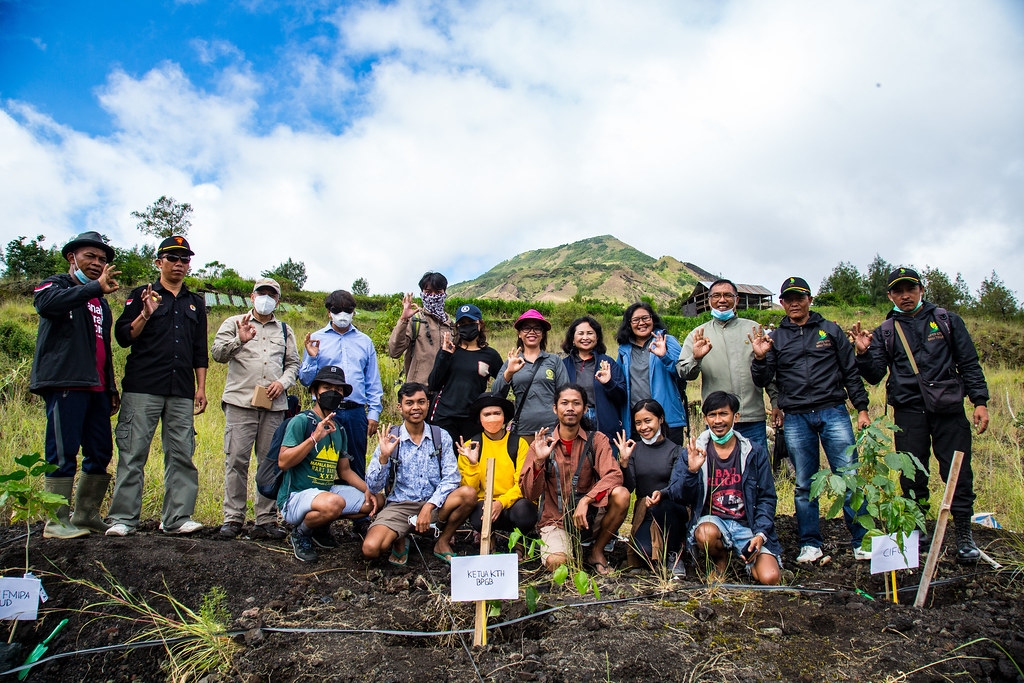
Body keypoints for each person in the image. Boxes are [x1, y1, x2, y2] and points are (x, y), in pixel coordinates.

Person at [851, 267, 990, 563]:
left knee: (957, 472)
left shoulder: (947, 320)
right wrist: (862, 354)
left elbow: (969, 362)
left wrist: (979, 401)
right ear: (890, 295)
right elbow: (875, 375)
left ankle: (964, 535)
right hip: (909, 411)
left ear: (920, 289)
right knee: (913, 474)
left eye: (910, 289)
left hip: (949, 409)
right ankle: (918, 532)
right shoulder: (886, 331)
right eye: (898, 291)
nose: (905, 296)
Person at [750, 276, 871, 563]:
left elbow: (850, 372)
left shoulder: (830, 331)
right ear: (781, 303)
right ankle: (810, 543)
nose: (794, 303)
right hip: (796, 416)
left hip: (833, 411)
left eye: (799, 297)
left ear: (809, 300)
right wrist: (759, 358)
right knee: (805, 481)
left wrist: (862, 408)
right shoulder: (775, 337)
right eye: (788, 298)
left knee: (849, 476)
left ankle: (861, 540)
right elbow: (764, 379)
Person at [107, 236, 208, 536]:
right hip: (143, 387)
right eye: (172, 258)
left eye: (184, 259)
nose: (179, 264)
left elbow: (199, 349)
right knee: (133, 452)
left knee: (180, 453)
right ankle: (123, 519)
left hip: (180, 389)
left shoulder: (195, 303)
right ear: (159, 262)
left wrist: (200, 388)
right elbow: (123, 336)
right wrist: (145, 314)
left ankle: (176, 518)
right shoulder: (142, 294)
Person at [30, 231, 121, 538]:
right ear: (72, 258)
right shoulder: (56, 285)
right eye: (90, 257)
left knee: (100, 452)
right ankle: (56, 521)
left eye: (102, 259)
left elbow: (103, 347)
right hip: (66, 382)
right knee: (62, 451)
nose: (97, 263)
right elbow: (46, 305)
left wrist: (110, 386)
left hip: (96, 387)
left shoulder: (101, 303)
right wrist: (93, 287)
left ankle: (85, 515)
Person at [211, 277, 299, 540]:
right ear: (252, 297)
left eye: (271, 294)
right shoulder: (234, 323)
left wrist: (282, 384)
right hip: (240, 402)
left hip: (273, 406)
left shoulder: (285, 329)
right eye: (261, 293)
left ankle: (265, 519)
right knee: (236, 459)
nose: (266, 298)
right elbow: (217, 354)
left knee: (269, 463)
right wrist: (239, 340)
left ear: (278, 300)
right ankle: (233, 518)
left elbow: (293, 365)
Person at [664, 392, 782, 585]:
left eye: (723, 414)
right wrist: (691, 472)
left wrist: (761, 533)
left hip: (748, 526)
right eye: (712, 415)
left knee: (770, 578)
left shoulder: (753, 452)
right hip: (714, 522)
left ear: (736, 417)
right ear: (705, 419)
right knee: (705, 534)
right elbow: (677, 494)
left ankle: (748, 558)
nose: (718, 421)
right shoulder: (694, 451)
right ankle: (720, 561)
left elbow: (767, 497)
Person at [519, 384, 630, 575]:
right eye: (564, 403)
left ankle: (596, 551)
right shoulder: (541, 444)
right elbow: (528, 493)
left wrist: (587, 499)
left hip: (590, 518)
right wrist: (539, 461)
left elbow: (614, 474)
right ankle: (567, 549)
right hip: (555, 520)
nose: (570, 408)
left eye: (576, 403)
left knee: (622, 495)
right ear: (555, 408)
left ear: (585, 409)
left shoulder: (597, 440)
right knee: (558, 563)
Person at [362, 383, 476, 566]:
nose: (416, 407)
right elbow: (373, 487)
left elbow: (452, 477)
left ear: (428, 404)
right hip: (399, 506)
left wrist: (429, 505)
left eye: (421, 402)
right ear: (400, 407)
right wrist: (383, 457)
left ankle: (443, 541)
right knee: (371, 549)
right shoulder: (391, 438)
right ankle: (400, 538)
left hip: (435, 505)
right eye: (409, 403)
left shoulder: (440, 435)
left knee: (468, 494)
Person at [277, 366, 376, 562]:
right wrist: (314, 438)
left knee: (373, 502)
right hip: (295, 496)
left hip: (324, 492)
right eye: (327, 387)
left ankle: (318, 526)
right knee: (334, 503)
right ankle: (301, 532)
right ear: (315, 392)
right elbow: (283, 462)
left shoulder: (339, 428)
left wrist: (368, 490)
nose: (333, 393)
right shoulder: (301, 421)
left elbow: (345, 470)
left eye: (338, 390)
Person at [677, 279, 779, 455]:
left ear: (737, 300)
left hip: (751, 417)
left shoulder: (754, 329)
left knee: (756, 470)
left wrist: (776, 402)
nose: (722, 300)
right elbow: (683, 372)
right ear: (709, 300)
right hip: (717, 421)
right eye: (716, 295)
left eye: (727, 295)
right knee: (721, 473)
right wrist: (696, 358)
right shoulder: (698, 334)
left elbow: (770, 373)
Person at [299, 289, 383, 479]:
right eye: (337, 310)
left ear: (354, 312)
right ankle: (324, 505)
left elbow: (372, 381)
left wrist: (374, 413)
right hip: (324, 412)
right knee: (319, 463)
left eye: (348, 310)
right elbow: (305, 380)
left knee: (355, 466)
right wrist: (312, 359)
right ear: (329, 312)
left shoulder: (365, 342)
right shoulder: (316, 340)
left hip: (355, 413)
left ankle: (358, 506)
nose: (342, 315)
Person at [613, 399, 688, 575]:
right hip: (646, 512)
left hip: (672, 511)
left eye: (648, 421)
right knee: (644, 552)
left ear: (660, 419)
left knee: (666, 505)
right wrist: (623, 463)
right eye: (638, 423)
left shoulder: (676, 450)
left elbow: (678, 486)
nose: (643, 427)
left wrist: (661, 494)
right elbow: (628, 487)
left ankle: (675, 553)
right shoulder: (634, 450)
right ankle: (659, 549)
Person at [455, 393, 538, 541]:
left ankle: (519, 543)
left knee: (525, 512)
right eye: (487, 414)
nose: (492, 418)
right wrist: (473, 465)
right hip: (484, 504)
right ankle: (488, 539)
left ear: (504, 416)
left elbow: (522, 483)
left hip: (513, 504)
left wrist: (501, 502)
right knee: (478, 516)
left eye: (497, 413)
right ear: (480, 419)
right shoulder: (469, 447)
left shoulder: (519, 444)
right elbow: (468, 490)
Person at [492, 309, 569, 445]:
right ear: (519, 334)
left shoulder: (554, 360)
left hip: (551, 429)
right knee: (524, 466)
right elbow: (496, 394)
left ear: (543, 334)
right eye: (526, 328)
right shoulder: (512, 362)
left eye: (537, 328)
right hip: (522, 430)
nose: (532, 332)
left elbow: (565, 394)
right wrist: (508, 373)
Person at [427, 304, 503, 441]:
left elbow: (502, 386)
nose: (466, 326)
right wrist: (444, 355)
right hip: (444, 418)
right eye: (462, 323)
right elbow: (433, 384)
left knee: (471, 461)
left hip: (473, 420)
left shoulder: (490, 355)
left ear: (479, 324)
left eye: (470, 323)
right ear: (457, 327)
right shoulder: (449, 350)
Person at [615, 303, 687, 445]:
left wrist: (664, 356)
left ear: (653, 319)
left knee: (672, 464)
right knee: (639, 465)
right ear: (629, 324)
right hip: (638, 422)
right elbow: (620, 383)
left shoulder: (667, 340)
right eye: (635, 320)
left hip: (667, 419)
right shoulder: (624, 350)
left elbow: (682, 373)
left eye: (645, 318)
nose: (641, 323)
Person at [561, 316, 627, 444]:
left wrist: (609, 383)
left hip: (604, 422)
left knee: (605, 460)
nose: (585, 337)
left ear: (597, 338)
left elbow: (622, 397)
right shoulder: (563, 365)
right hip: (574, 419)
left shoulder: (608, 363)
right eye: (580, 333)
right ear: (573, 339)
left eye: (590, 333)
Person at [388, 271, 455, 385]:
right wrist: (403, 320)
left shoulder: (451, 325)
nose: (433, 296)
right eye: (428, 292)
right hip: (418, 391)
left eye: (438, 292)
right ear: (422, 293)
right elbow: (394, 352)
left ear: (444, 293)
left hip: (444, 393)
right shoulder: (415, 321)